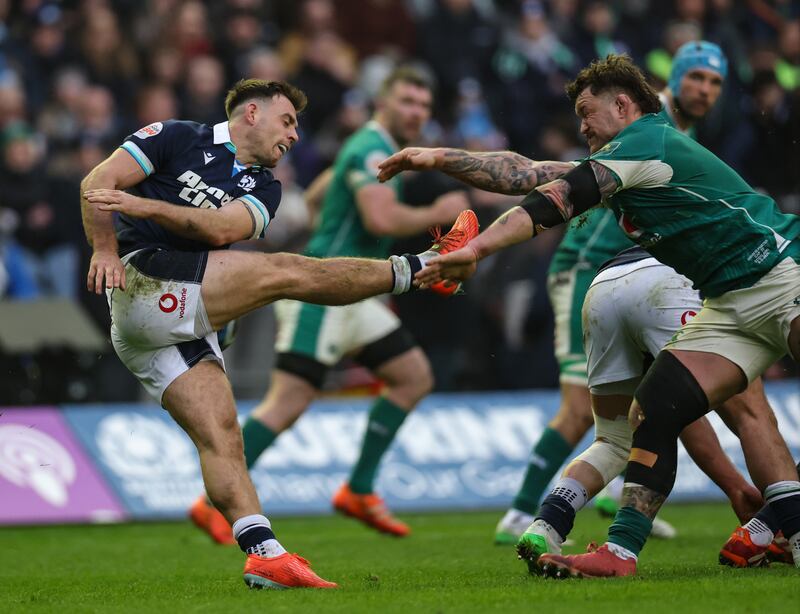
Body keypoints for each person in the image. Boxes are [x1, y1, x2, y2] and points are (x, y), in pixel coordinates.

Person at [378, 54, 800, 577]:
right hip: (730, 304)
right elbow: (527, 173)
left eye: (587, 111)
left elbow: (555, 198)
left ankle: (780, 520)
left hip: (784, 270)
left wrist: (476, 251)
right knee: (652, 409)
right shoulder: (627, 158)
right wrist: (440, 156)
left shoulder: (647, 139)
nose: (581, 126)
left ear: (623, 105)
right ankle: (623, 552)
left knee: (713, 417)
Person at [80, 77, 476, 589]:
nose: (293, 137)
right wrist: (104, 249)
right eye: (286, 122)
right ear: (251, 114)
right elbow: (98, 181)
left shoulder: (265, 187)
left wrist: (145, 205)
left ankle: (264, 554)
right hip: (142, 276)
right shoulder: (176, 136)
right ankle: (424, 265)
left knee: (223, 438)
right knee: (285, 270)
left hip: (159, 328)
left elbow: (221, 230)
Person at [189, 66, 470, 543]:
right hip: (321, 290)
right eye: (407, 102)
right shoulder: (372, 146)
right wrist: (439, 214)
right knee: (288, 402)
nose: (416, 113)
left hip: (354, 291)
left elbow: (322, 192)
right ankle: (215, 500)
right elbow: (380, 214)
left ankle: (358, 489)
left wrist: (330, 217)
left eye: (423, 105)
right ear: (382, 103)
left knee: (412, 376)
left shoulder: (366, 149)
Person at [493, 39, 734, 546]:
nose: (705, 90)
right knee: (585, 407)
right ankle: (520, 511)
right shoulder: (649, 122)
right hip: (590, 268)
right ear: (675, 81)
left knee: (651, 398)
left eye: (714, 83)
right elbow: (564, 181)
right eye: (697, 78)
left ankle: (614, 497)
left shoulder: (676, 130)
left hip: (638, 277)